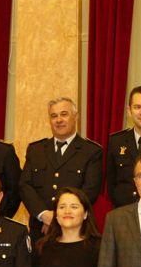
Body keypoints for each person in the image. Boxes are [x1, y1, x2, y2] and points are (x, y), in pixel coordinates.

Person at [20, 97, 102, 244]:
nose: (59, 120)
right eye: (54, 116)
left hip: (76, 231)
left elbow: (90, 191)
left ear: (75, 117)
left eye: (64, 114)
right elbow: (25, 185)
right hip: (40, 230)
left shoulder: (91, 151)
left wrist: (59, 219)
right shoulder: (36, 150)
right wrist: (44, 215)